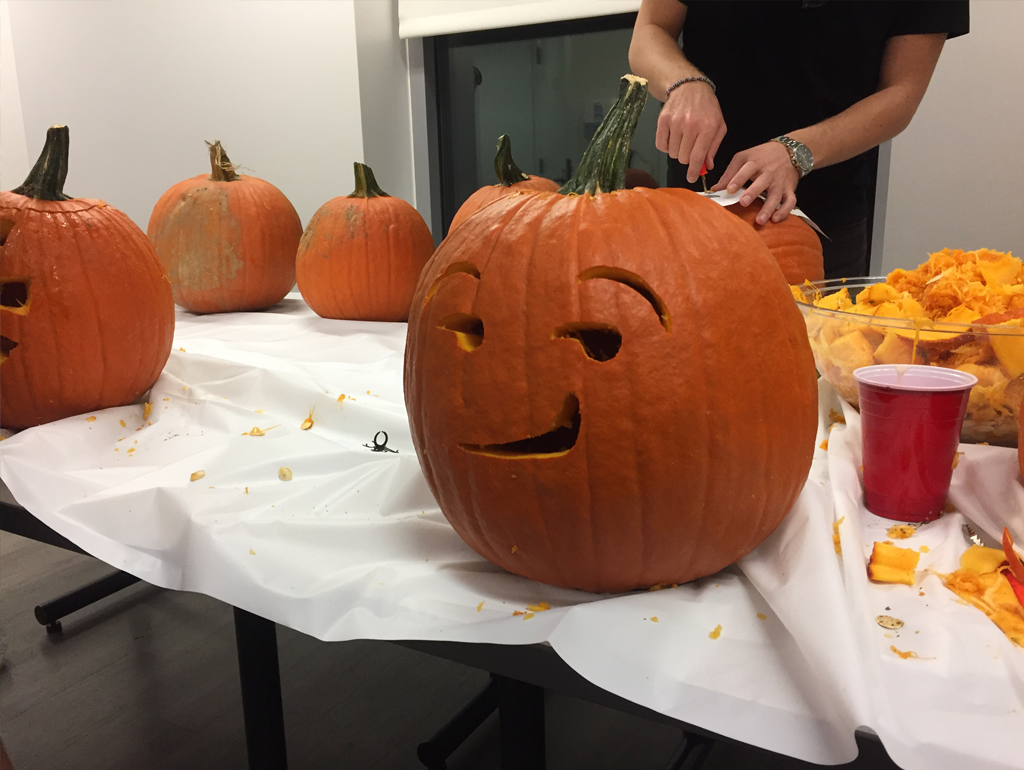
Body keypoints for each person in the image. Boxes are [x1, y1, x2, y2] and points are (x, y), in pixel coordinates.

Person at [628, 0, 970, 278]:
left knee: (814, 356)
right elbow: (651, 30)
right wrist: (685, 83)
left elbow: (902, 91)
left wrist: (798, 150)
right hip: (695, 208)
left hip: (825, 219)